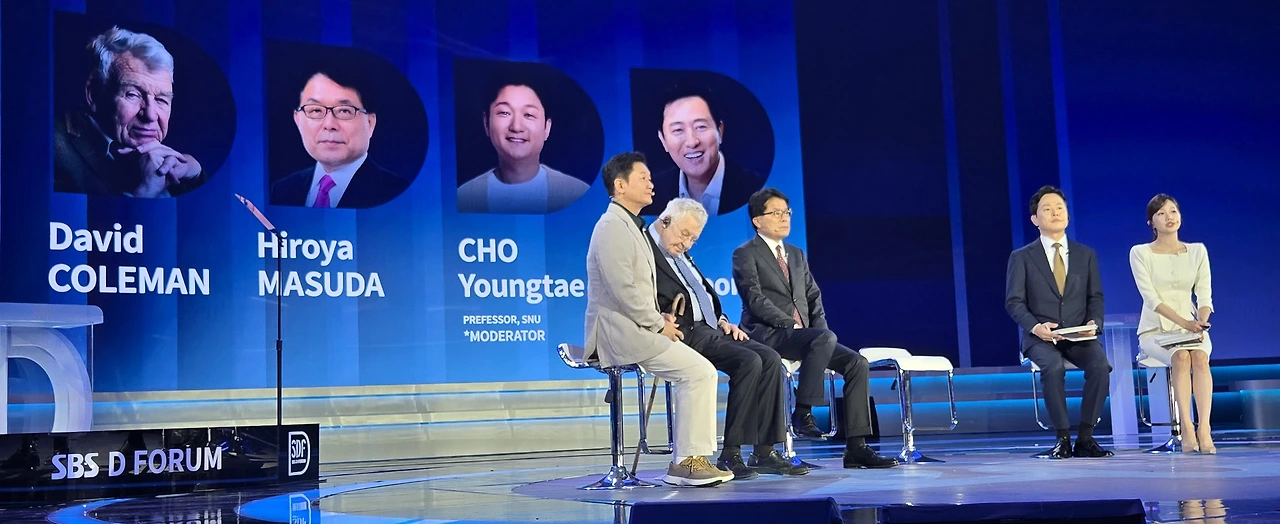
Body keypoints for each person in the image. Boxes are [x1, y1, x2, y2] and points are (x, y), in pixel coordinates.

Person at [584, 152, 734, 487]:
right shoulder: (611, 226)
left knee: (700, 371)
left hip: (637, 328)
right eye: (643, 178)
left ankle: (690, 459)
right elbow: (623, 289)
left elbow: (636, 289)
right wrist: (657, 324)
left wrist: (659, 315)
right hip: (620, 333)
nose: (651, 184)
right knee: (699, 372)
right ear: (620, 185)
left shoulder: (630, 225)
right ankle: (687, 462)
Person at [732, 188, 898, 469]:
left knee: (856, 363)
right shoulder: (745, 254)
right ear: (757, 220)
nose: (784, 218)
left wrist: (821, 333)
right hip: (770, 333)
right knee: (822, 340)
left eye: (787, 212)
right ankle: (803, 411)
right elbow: (754, 299)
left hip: (807, 337)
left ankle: (856, 447)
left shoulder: (796, 254)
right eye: (776, 213)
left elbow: (813, 295)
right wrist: (792, 324)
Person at [649, 198, 808, 479]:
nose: (687, 243)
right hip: (685, 331)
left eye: (693, 239)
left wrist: (722, 320)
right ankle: (730, 453)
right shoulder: (647, 250)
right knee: (748, 361)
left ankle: (764, 451)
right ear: (665, 222)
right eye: (685, 234)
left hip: (712, 328)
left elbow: (701, 294)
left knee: (770, 358)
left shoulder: (681, 254)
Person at [1005, 185, 1113, 459]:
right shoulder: (1022, 257)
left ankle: (1085, 438)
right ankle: (1062, 438)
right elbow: (1014, 302)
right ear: (1035, 219)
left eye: (1060, 208)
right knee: (1052, 367)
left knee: (1100, 366)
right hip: (1040, 337)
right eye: (1047, 209)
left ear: (1068, 215)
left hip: (1078, 335)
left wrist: (1094, 322)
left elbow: (1095, 296)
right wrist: (1036, 328)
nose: (1055, 213)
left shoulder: (1085, 254)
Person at [54, 26, 207, 197]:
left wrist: (196, 174)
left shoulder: (165, 160)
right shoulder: (49, 151)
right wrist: (145, 193)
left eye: (161, 100)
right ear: (94, 94)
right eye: (133, 95)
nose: (150, 115)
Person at [1130, 193, 1216, 454]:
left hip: (1191, 328)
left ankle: (1205, 428)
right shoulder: (1140, 253)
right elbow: (1151, 299)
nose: (1169, 217)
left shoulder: (1197, 251)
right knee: (1180, 357)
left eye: (1173, 211)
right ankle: (1187, 427)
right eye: (1161, 213)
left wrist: (1201, 322)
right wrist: (1184, 323)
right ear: (1151, 223)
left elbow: (1204, 295)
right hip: (1155, 330)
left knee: (1199, 358)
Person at [270, 66, 410, 209]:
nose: (329, 125)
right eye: (316, 110)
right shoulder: (283, 190)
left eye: (344, 111)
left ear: (370, 123)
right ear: (298, 119)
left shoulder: (400, 194)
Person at [457, 79, 589, 213]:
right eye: (504, 113)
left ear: (547, 128)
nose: (516, 127)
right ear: (486, 123)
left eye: (529, 114)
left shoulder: (578, 194)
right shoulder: (464, 198)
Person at [647, 85, 765, 216]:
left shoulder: (757, 190)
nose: (692, 142)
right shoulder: (648, 194)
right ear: (663, 140)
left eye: (700, 127)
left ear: (720, 131)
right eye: (678, 130)